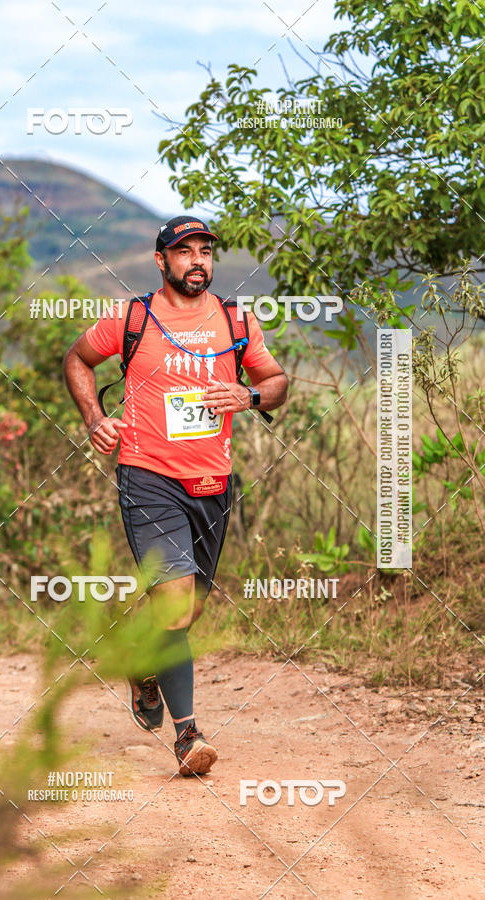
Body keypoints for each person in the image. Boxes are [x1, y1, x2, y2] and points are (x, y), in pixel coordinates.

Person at [63, 216, 288, 776]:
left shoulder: (236, 320)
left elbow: (277, 382)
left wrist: (249, 395)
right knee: (174, 602)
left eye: (205, 251)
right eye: (184, 252)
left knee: (188, 610)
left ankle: (141, 658)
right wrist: (95, 418)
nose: (197, 261)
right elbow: (77, 360)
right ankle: (188, 736)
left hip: (212, 483)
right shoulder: (132, 318)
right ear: (161, 260)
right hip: (148, 478)